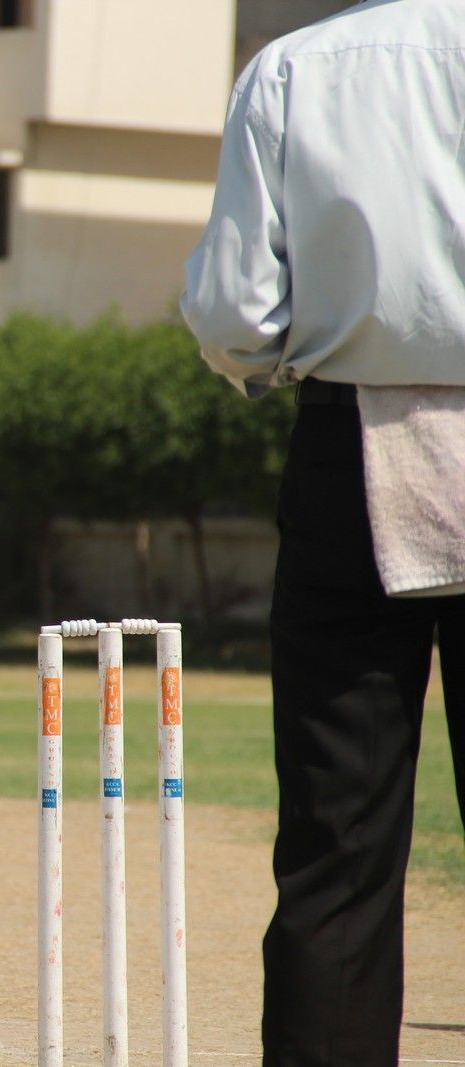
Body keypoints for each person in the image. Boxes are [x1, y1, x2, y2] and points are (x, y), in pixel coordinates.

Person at [181, 3, 465, 1063]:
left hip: (355, 437)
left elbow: (235, 315)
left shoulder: (295, 67)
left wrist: (281, 358)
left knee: (337, 843)